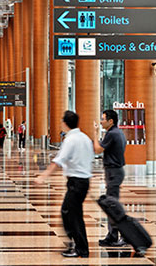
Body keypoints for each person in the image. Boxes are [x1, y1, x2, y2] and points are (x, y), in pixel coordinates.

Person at [35, 111, 93, 258]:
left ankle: (80, 248)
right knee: (72, 213)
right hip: (84, 180)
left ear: (65, 123)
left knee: (70, 214)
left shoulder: (71, 139)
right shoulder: (85, 138)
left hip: (76, 181)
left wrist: (43, 176)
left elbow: (58, 161)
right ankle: (79, 246)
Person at [93, 109, 127, 247]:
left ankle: (122, 235)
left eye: (103, 119)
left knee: (113, 206)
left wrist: (95, 134)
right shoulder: (119, 133)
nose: (101, 122)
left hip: (113, 172)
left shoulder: (111, 133)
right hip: (116, 171)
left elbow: (97, 149)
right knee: (112, 205)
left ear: (110, 121)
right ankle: (112, 235)